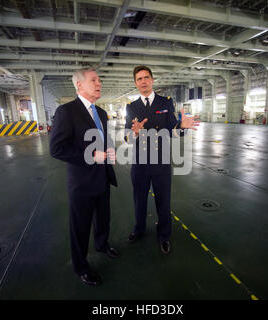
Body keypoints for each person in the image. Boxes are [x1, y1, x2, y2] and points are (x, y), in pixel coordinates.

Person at [49, 67, 119, 286]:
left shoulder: (102, 113)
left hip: (103, 177)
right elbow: (57, 148)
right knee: (80, 226)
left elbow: (101, 142)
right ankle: (81, 266)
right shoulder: (66, 112)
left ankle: (101, 243)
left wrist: (108, 152)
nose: (99, 84)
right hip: (82, 182)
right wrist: (91, 156)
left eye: (99, 80)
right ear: (79, 85)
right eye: (93, 80)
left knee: (103, 217)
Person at [124, 65, 200, 254]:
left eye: (146, 77)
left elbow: (173, 130)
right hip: (140, 163)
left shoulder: (165, 102)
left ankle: (164, 235)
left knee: (163, 202)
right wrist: (133, 134)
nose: (143, 81)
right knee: (139, 200)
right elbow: (126, 136)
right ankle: (139, 230)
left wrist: (182, 126)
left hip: (161, 162)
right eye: (139, 79)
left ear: (152, 80)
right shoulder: (131, 107)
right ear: (135, 83)